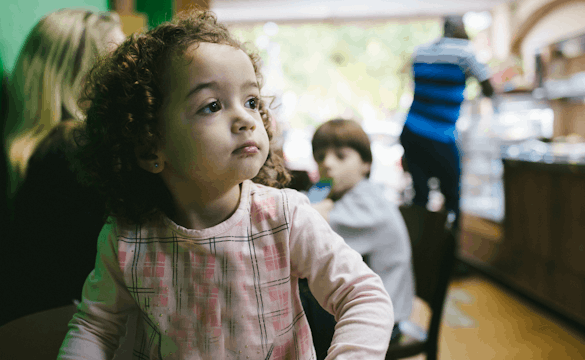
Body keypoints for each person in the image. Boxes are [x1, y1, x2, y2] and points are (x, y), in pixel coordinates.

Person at [57, 10, 394, 360]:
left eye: (251, 101)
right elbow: (95, 327)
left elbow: (363, 295)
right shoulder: (126, 238)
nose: (246, 119)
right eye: (212, 105)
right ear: (148, 146)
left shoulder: (285, 217)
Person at [0, 9, 126, 333]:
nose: (129, 77)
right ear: (81, 73)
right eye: (117, 64)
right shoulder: (75, 149)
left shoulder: (40, 152)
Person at [302, 119, 414, 359]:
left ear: (366, 163)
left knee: (300, 313)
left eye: (340, 156)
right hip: (363, 307)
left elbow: (307, 227)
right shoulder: (342, 194)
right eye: (320, 157)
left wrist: (317, 201)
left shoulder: (366, 202)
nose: (327, 164)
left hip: (380, 320)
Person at [400, 15, 494, 232]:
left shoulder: (420, 51)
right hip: (440, 136)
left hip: (411, 131)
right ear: (459, 28)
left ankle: (419, 249)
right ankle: (449, 254)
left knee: (420, 195)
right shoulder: (465, 52)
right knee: (452, 198)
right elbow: (488, 88)